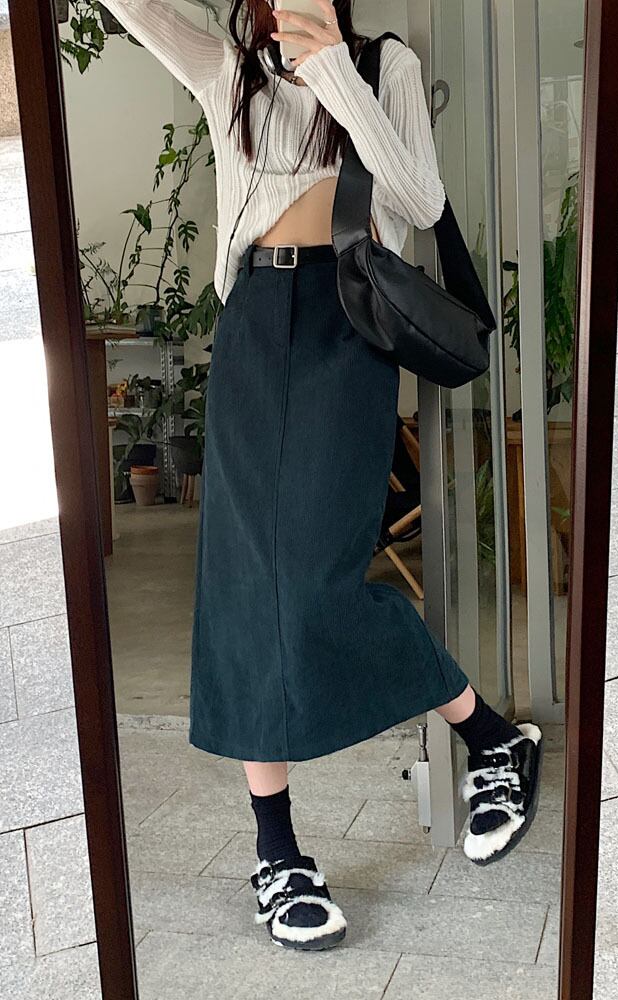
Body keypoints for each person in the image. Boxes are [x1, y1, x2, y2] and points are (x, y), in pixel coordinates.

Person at [95, 0, 543, 950]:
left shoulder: (386, 66)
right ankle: (278, 853)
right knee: (243, 589)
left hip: (350, 322)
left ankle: (490, 737)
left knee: (316, 583)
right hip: (256, 323)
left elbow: (419, 199)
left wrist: (333, 65)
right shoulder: (229, 70)